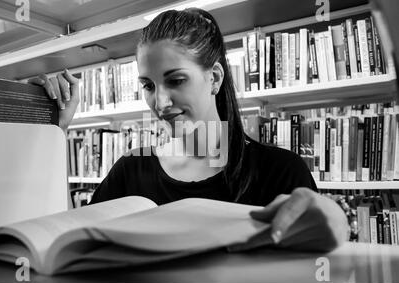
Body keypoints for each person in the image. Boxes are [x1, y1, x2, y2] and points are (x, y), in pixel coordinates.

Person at [29, 8, 348, 252]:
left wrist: (334, 224)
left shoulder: (279, 172)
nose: (161, 101)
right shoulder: (131, 169)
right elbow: (67, 244)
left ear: (215, 78)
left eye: (176, 80)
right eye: (148, 85)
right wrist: (54, 132)